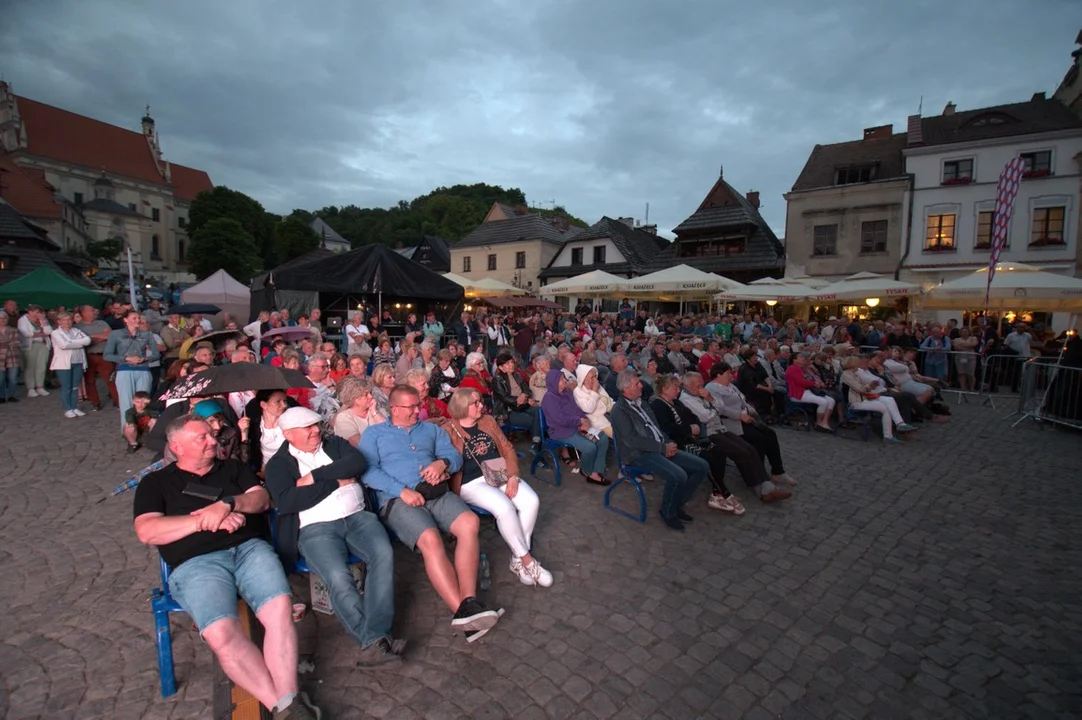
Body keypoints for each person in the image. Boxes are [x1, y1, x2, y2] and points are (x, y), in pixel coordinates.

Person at [133, 415, 320, 719]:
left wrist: (228, 505)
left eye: (211, 435)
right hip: (195, 563)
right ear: (176, 447)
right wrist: (202, 521)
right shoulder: (155, 483)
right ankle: (286, 706)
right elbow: (148, 531)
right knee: (221, 634)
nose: (213, 442)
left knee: (279, 610)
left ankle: (287, 699)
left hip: (249, 550)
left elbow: (260, 499)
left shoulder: (232, 468)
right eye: (202, 438)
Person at [360, 385, 503, 642]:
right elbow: (368, 471)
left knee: (469, 522)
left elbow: (454, 457)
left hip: (435, 493)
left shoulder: (431, 429)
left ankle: (468, 604)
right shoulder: (374, 434)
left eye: (418, 405)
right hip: (399, 499)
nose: (418, 410)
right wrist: (401, 490)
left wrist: (442, 462)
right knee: (430, 539)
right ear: (393, 408)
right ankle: (464, 612)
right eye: (411, 407)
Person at [265, 407, 403, 667]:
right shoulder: (277, 465)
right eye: (308, 428)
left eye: (316, 424)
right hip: (316, 528)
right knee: (338, 577)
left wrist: (315, 477)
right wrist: (336, 482)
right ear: (288, 434)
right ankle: (376, 639)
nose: (316, 430)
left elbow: (357, 463)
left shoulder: (335, 444)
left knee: (383, 557)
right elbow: (288, 500)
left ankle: (374, 640)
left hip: (358, 518)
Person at [436, 388, 552, 587]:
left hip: (498, 473)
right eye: (476, 403)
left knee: (531, 501)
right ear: (463, 407)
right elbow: (427, 426)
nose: (482, 405)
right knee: (505, 507)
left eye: (480, 401)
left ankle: (516, 559)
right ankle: (528, 560)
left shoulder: (487, 421)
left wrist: (513, 476)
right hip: (470, 483)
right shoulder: (447, 430)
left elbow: (507, 448)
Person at [610, 370, 708, 531]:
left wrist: (669, 443)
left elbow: (656, 428)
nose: (641, 385)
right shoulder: (619, 411)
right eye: (637, 384)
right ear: (626, 389)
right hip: (638, 454)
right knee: (679, 475)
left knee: (701, 466)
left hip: (658, 447)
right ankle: (668, 512)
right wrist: (663, 448)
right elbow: (632, 441)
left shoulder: (642, 403)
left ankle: (676, 504)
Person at [649, 374, 740, 515]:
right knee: (708, 458)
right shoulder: (658, 405)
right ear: (665, 389)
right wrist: (689, 428)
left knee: (719, 452)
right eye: (676, 387)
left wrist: (695, 426)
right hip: (677, 443)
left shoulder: (676, 403)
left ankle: (717, 492)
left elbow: (693, 417)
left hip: (689, 439)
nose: (678, 391)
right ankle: (723, 491)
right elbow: (666, 428)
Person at [704, 363, 795, 500]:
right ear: (718, 374)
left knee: (770, 434)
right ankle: (761, 480)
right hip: (731, 422)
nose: (731, 376)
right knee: (756, 439)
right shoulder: (712, 388)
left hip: (746, 418)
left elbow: (742, 399)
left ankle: (778, 470)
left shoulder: (731, 386)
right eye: (728, 373)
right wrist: (740, 415)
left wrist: (749, 408)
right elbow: (721, 409)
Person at [540, 368, 611, 485]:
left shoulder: (566, 393)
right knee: (590, 448)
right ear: (554, 382)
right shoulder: (549, 398)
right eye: (561, 379)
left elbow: (577, 409)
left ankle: (595, 471)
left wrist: (585, 420)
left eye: (564, 378)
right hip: (561, 432)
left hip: (576, 426)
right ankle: (587, 471)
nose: (565, 380)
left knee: (602, 438)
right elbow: (560, 419)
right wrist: (579, 421)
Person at [104, 309, 160, 434]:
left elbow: (156, 354)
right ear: (125, 320)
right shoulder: (116, 334)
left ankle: (144, 430)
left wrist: (145, 358)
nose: (138, 320)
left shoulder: (146, 335)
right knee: (126, 402)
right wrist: (126, 358)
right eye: (134, 318)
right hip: (124, 370)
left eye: (138, 318)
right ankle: (129, 431)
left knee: (144, 401)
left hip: (143, 369)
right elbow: (107, 355)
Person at [840, 357, 917, 444]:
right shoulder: (846, 374)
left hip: (863, 398)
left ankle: (900, 424)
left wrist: (871, 385)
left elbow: (863, 388)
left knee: (889, 399)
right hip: (855, 402)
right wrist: (870, 386)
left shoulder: (855, 374)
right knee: (884, 408)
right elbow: (860, 389)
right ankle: (888, 436)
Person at [49, 311, 92, 418]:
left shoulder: (76, 330)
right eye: (64, 320)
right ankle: (68, 408)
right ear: (59, 322)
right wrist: (78, 343)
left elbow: (87, 340)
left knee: (75, 386)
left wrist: (72, 343)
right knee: (66, 386)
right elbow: (64, 345)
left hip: (78, 361)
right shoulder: (55, 333)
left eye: (69, 320)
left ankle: (74, 407)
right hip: (64, 364)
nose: (67, 322)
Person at [245, 389, 297, 473]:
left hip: (289, 470)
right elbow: (246, 457)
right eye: (278, 401)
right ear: (263, 405)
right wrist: (244, 433)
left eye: (284, 401)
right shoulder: (254, 425)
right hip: (262, 472)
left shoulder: (292, 423)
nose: (284, 405)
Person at [76, 305, 118, 410]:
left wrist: (91, 337)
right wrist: (102, 336)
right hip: (88, 356)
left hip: (104, 355)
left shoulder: (102, 323)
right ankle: (95, 402)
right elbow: (83, 341)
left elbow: (110, 335)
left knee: (110, 379)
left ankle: (117, 401)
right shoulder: (78, 327)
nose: (95, 311)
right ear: (84, 313)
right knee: (89, 380)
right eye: (92, 310)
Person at [491, 352, 539, 439]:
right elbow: (504, 398)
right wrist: (520, 399)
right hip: (508, 411)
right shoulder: (497, 380)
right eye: (507, 363)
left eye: (512, 362)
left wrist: (524, 395)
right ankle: (537, 441)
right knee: (534, 420)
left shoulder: (517, 375)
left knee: (541, 412)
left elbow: (527, 390)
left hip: (523, 406)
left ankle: (537, 440)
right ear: (501, 367)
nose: (511, 365)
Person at [784, 352, 835, 431]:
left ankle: (824, 422)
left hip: (808, 391)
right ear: (794, 360)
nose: (803, 358)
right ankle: (819, 423)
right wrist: (814, 383)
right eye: (801, 357)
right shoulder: (792, 368)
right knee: (823, 402)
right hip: (798, 394)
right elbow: (800, 381)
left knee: (831, 400)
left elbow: (812, 377)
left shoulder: (803, 368)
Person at [333, 376, 383, 446]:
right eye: (366, 395)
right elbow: (359, 444)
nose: (371, 396)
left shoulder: (374, 410)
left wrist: (374, 412)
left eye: (370, 393)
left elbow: (388, 430)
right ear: (355, 398)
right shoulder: (344, 417)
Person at [18, 304, 52, 398]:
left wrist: (42, 321)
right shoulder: (22, 320)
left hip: (43, 345)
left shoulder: (43, 320)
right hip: (30, 346)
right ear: (30, 312)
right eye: (36, 312)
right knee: (30, 367)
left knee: (41, 366)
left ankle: (40, 386)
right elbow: (26, 333)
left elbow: (49, 331)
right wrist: (39, 333)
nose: (38, 314)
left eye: (39, 312)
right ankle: (30, 388)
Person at [573, 363, 613, 438]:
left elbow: (608, 400)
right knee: (619, 435)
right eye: (592, 377)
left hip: (611, 414)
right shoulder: (578, 392)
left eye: (595, 376)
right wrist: (594, 391)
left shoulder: (597, 385)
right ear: (583, 379)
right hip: (599, 421)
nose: (595, 380)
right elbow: (588, 409)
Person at [0, 310, 21, 403]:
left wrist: (3, 344)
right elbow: (11, 343)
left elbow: (16, 342)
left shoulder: (13, 330)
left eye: (4, 318)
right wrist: (8, 343)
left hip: (12, 355)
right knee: (1, 378)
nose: (3, 320)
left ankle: (11, 395)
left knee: (13, 377)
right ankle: (1, 396)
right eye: (1, 319)